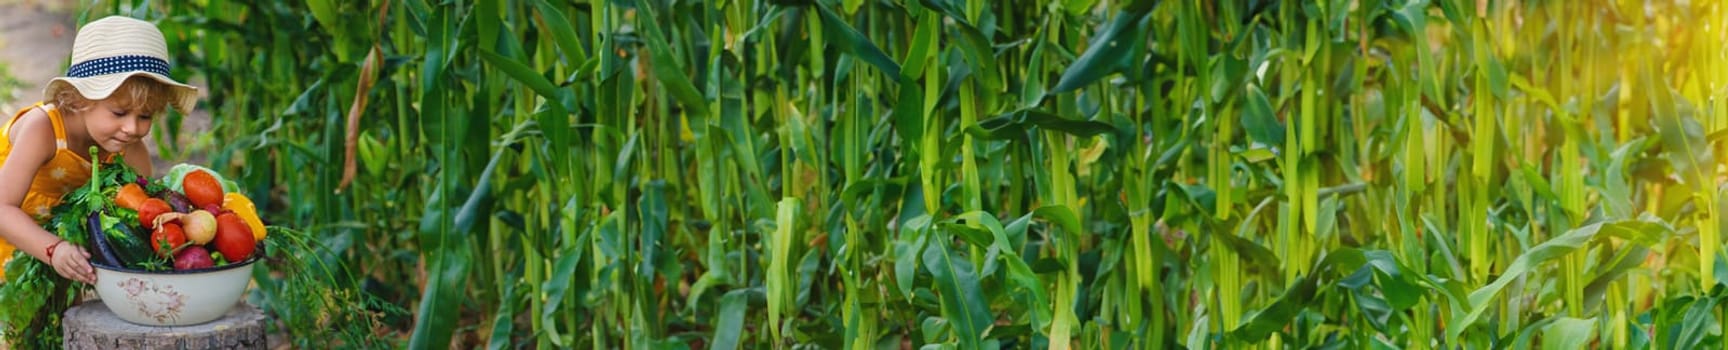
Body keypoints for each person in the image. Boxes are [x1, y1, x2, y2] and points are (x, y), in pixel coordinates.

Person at [0, 16, 197, 284]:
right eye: (119, 112)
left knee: (66, 321)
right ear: (81, 98)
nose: (132, 128)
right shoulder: (43, 129)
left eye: (145, 116)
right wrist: (53, 249)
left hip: (67, 253)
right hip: (14, 245)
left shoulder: (129, 150)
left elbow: (143, 215)